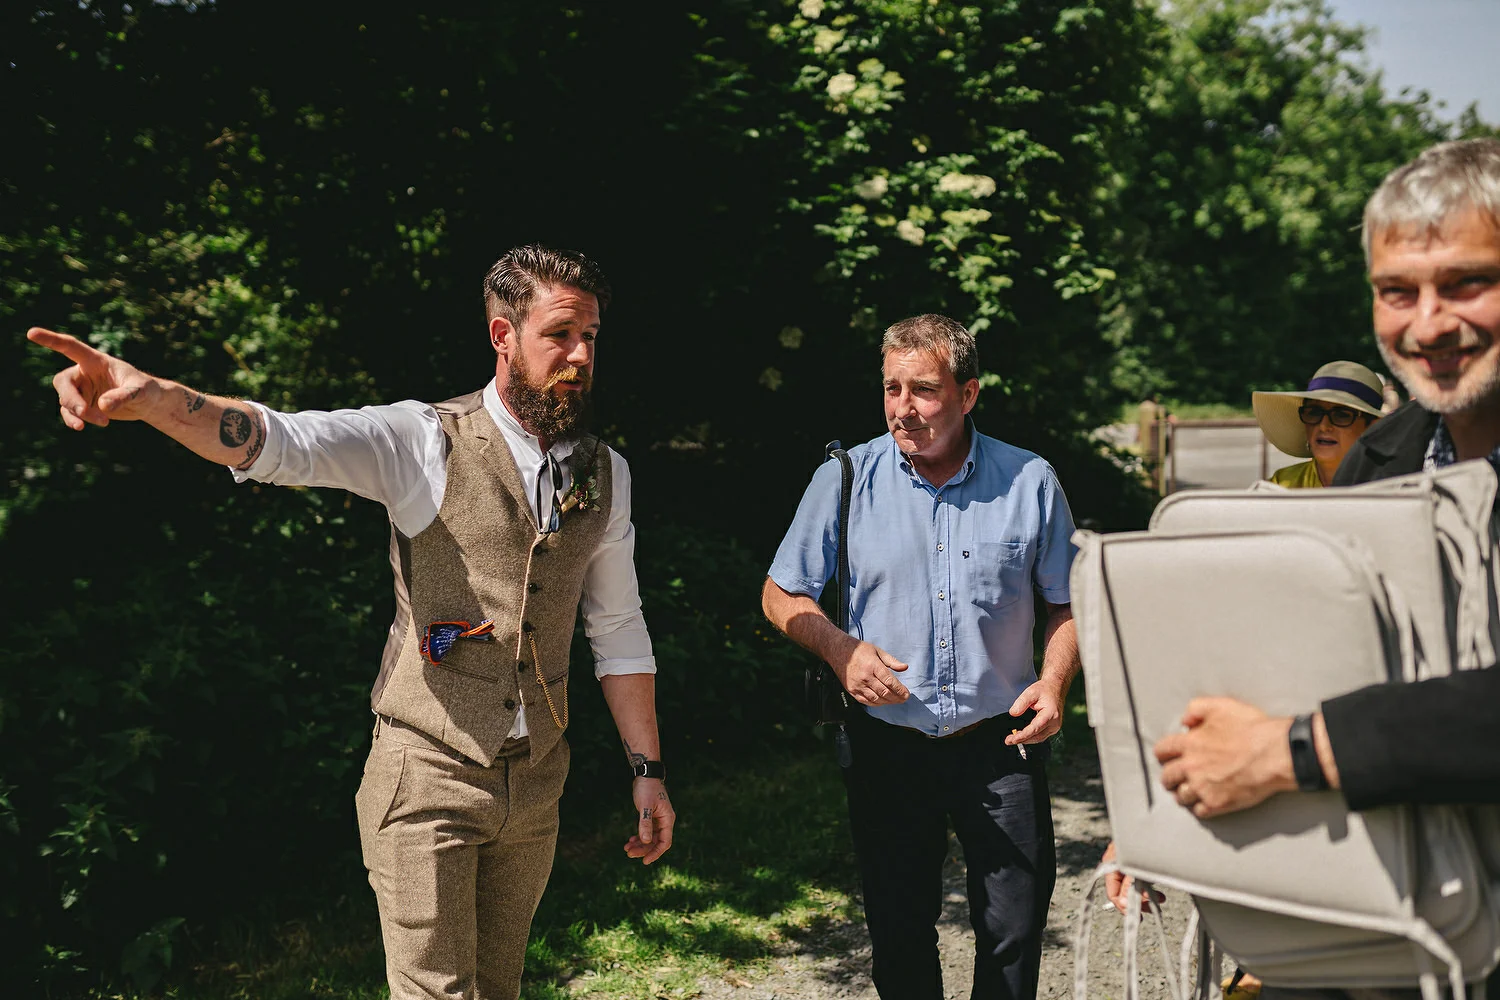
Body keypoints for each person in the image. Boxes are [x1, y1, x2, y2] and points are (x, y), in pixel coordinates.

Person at [27, 244, 676, 1000]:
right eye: (559, 334)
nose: (580, 355)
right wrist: (160, 399)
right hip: (425, 773)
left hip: (535, 786)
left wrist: (648, 774)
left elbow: (619, 628)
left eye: (591, 337)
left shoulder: (605, 473)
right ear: (503, 336)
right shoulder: (421, 440)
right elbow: (284, 441)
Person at [1144, 139, 1500, 995]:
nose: (1429, 323)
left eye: (1466, 282)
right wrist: (1158, 813)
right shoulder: (1383, 457)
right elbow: (1306, 649)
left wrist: (1295, 749)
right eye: (1396, 291)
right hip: (1389, 925)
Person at [761, 314, 1080, 1000]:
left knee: (1014, 933)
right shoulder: (846, 478)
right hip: (889, 747)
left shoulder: (1030, 481)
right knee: (900, 932)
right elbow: (780, 593)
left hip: (1003, 744)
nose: (904, 408)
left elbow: (1068, 602)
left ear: (968, 394)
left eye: (924, 390)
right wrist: (840, 648)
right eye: (892, 389)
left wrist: (1054, 683)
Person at [1252, 361, 1384, 488]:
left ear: (1372, 428)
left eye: (1341, 415)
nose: (1323, 426)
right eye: (1314, 412)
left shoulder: (1392, 488)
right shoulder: (1282, 485)